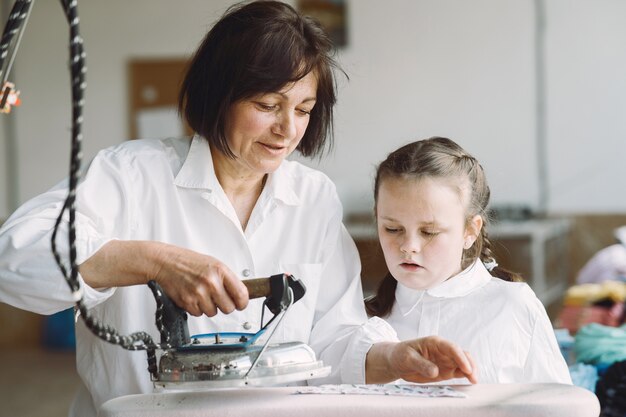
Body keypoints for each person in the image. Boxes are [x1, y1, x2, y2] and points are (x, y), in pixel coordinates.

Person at [0, 2, 476, 416]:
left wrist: (392, 358)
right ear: (220, 95)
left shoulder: (313, 197)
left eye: (304, 109)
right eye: (268, 104)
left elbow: (331, 337)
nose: (287, 129)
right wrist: (153, 261)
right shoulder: (131, 175)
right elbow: (13, 259)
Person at [365, 137, 572, 384]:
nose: (409, 246)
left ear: (470, 231)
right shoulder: (362, 319)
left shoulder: (513, 307)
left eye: (429, 232)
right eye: (392, 229)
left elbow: (557, 404)